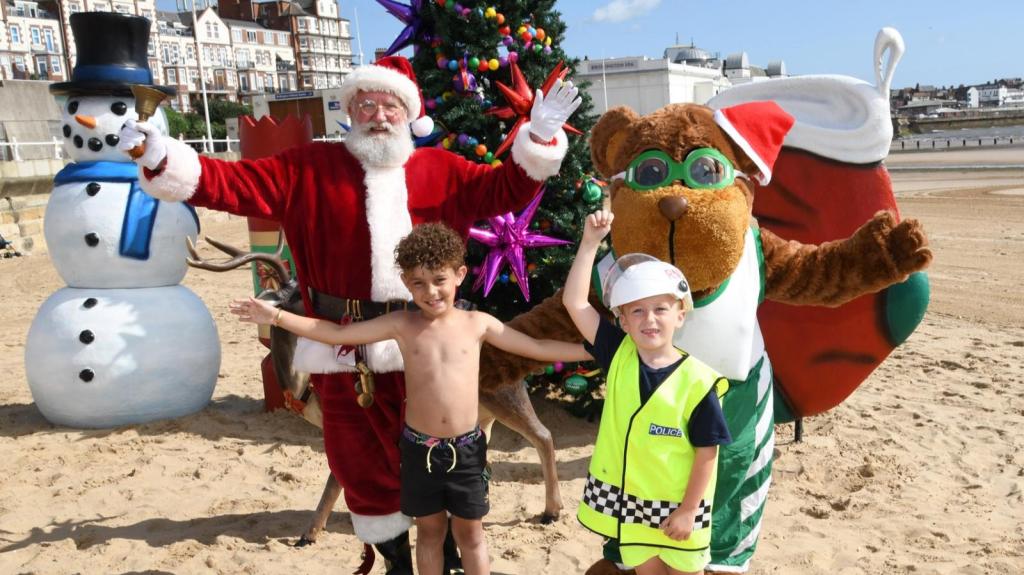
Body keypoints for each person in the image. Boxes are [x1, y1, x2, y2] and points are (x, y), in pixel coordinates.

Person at [116, 55, 581, 573]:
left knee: (441, 462)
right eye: (366, 104)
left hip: (422, 344)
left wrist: (539, 140)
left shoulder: (442, 170)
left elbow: (507, 188)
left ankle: (448, 555)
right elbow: (231, 183)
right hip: (341, 348)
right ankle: (396, 560)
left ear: (409, 113)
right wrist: (162, 156)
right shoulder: (307, 169)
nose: (378, 116)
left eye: (390, 105)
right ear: (350, 111)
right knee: (358, 464)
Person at [230, 223, 591, 575]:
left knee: (471, 537)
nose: (431, 292)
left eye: (439, 280)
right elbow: (334, 333)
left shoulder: (478, 324)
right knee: (429, 534)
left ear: (459, 275)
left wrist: (595, 351)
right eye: (418, 283)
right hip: (419, 453)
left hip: (467, 451)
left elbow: (537, 347)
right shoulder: (402, 325)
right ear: (405, 283)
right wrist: (276, 316)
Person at [562, 209, 733, 575]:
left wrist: (688, 510)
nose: (649, 319)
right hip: (635, 508)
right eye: (637, 311)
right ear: (623, 321)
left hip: (682, 507)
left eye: (660, 309)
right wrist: (590, 243)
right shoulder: (618, 353)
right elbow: (575, 303)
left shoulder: (698, 382)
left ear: (680, 315)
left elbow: (708, 453)